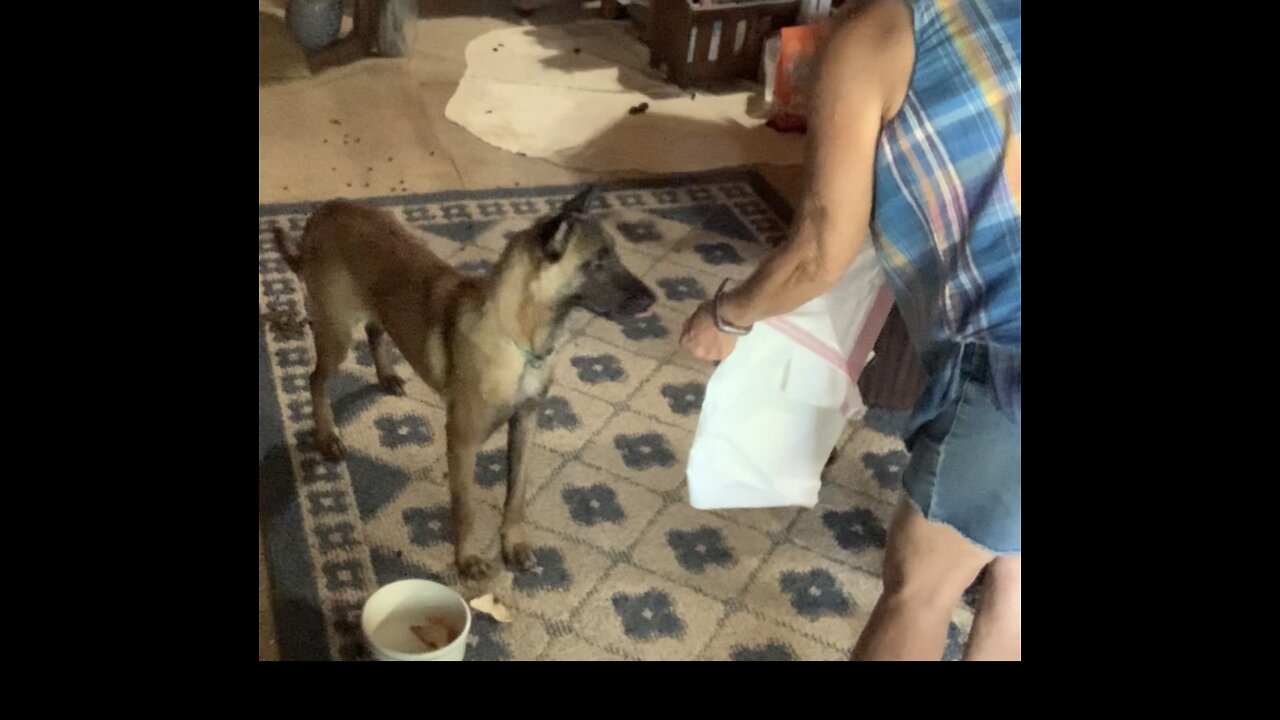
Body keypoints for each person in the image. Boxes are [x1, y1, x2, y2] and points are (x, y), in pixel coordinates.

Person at [679, 0, 1020, 661]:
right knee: (1012, 573)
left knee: (921, 589)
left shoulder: (876, 38)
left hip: (1006, 367)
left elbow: (817, 250)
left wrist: (728, 316)